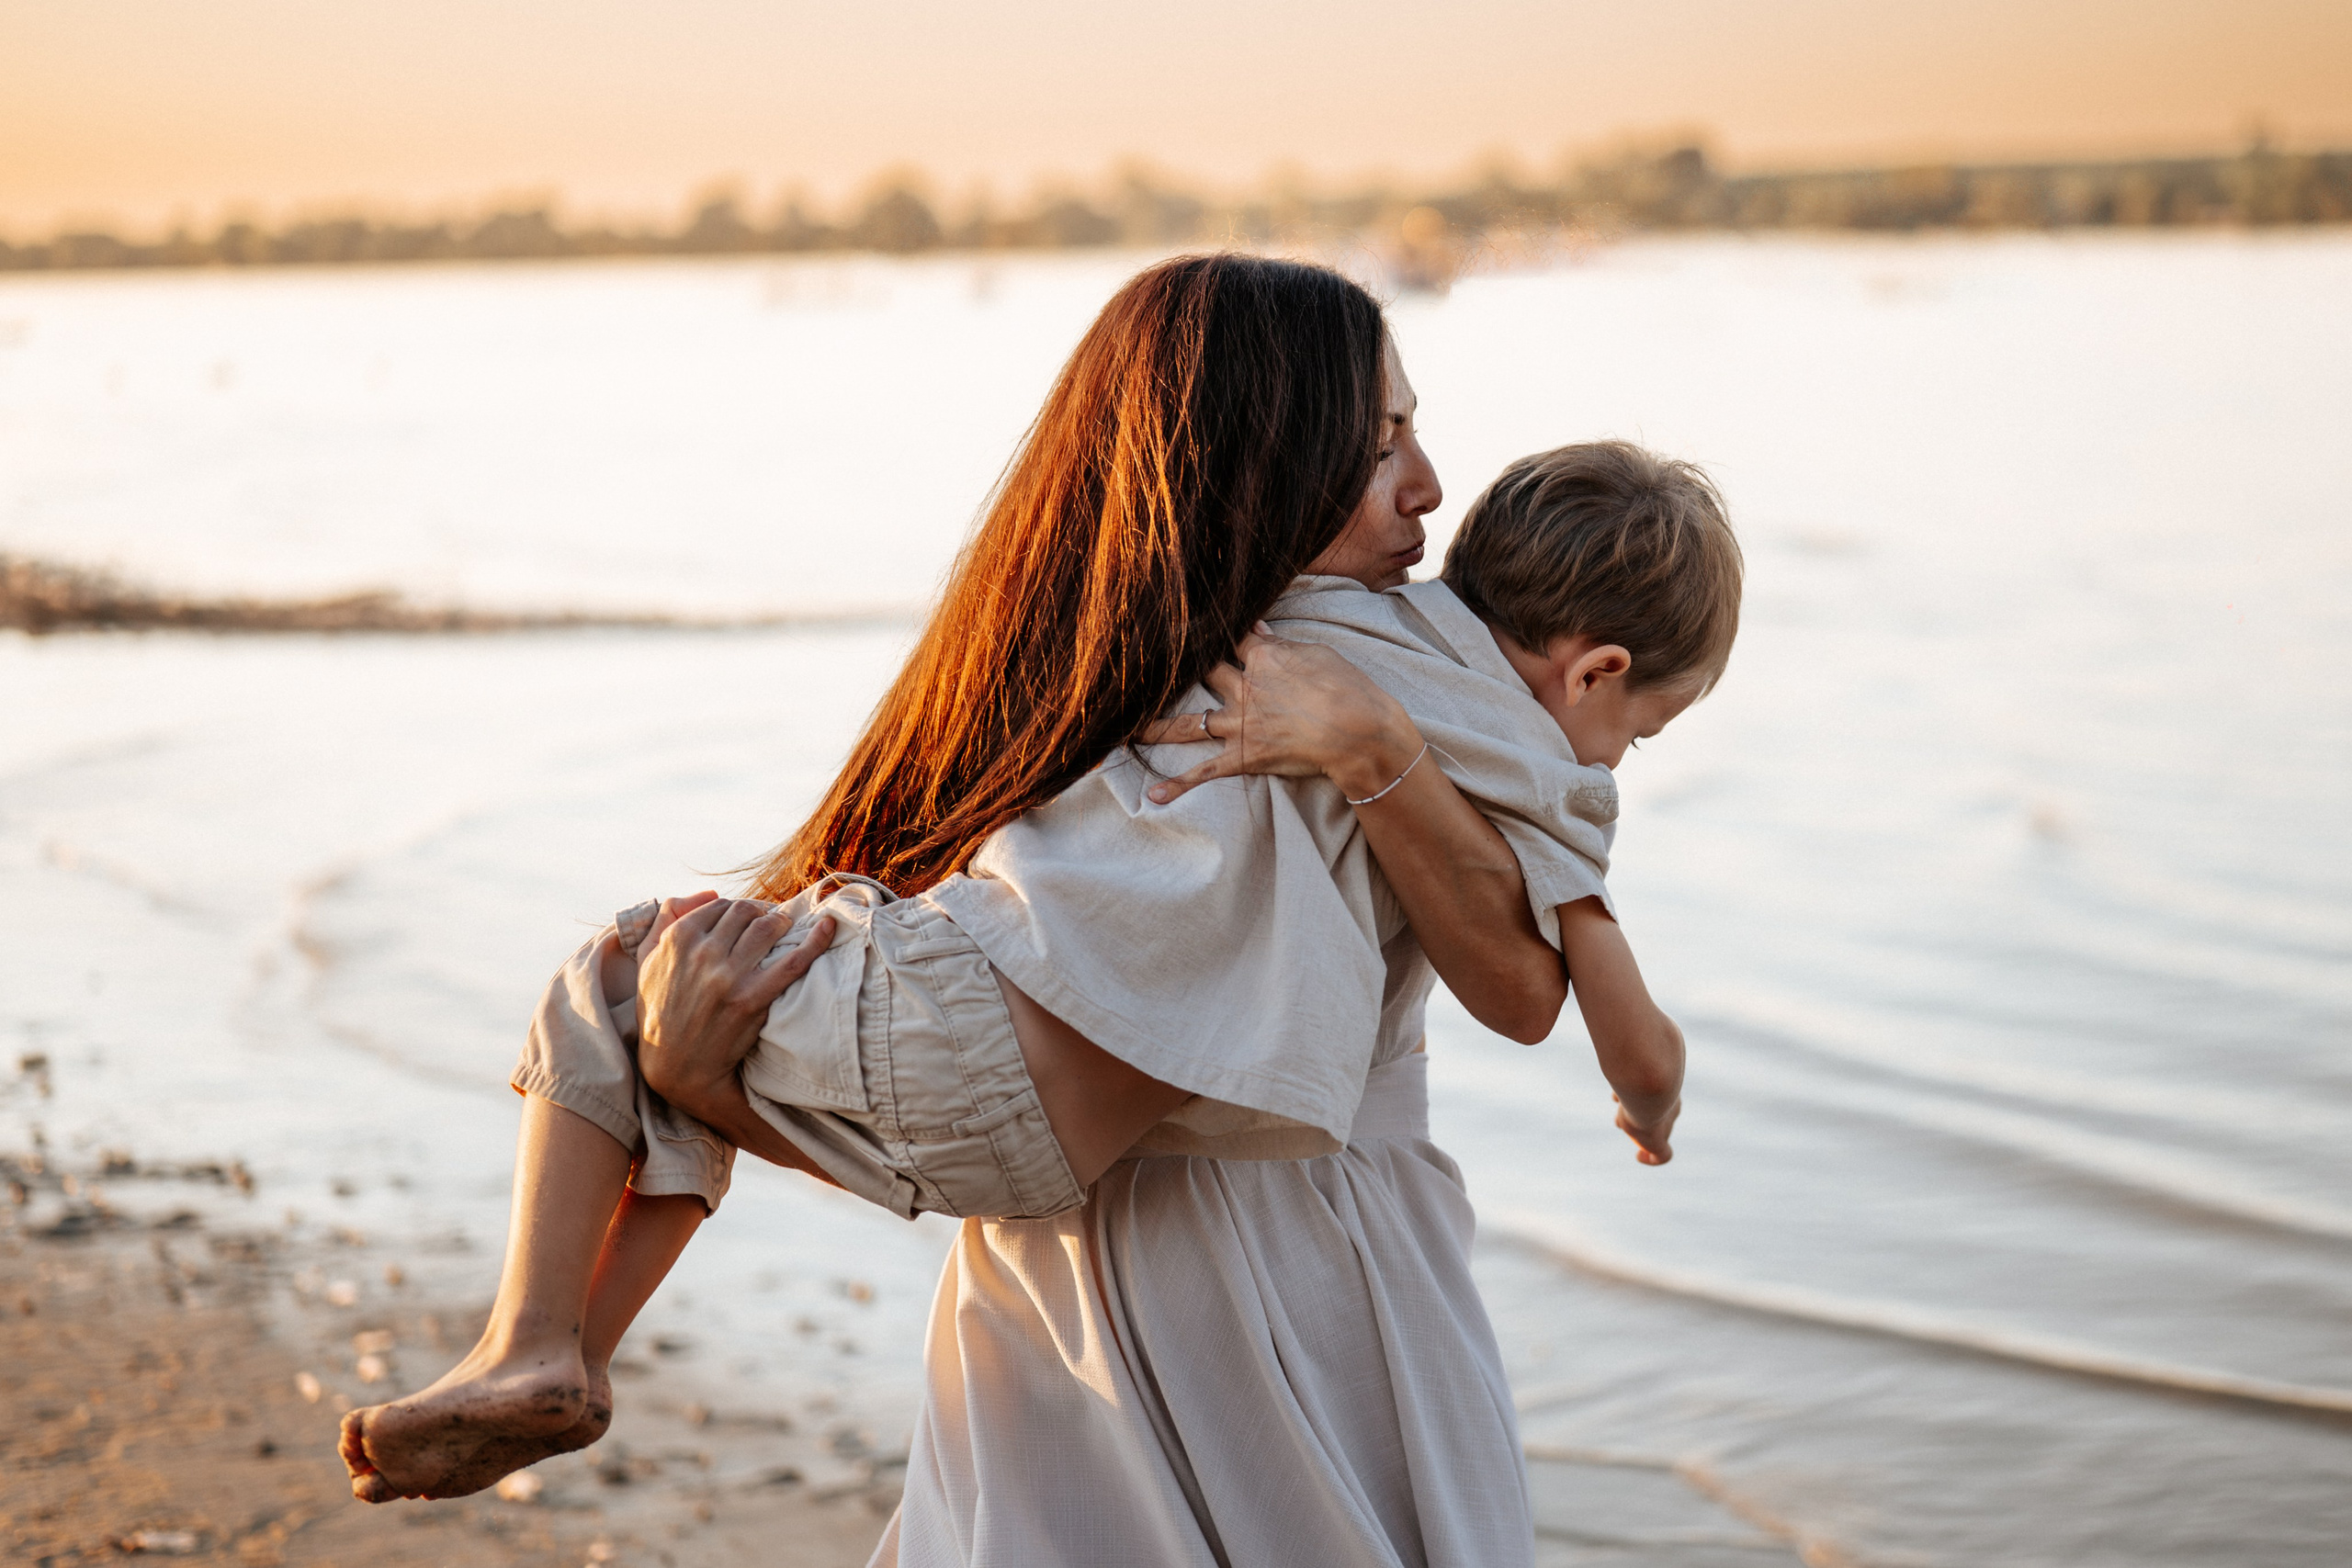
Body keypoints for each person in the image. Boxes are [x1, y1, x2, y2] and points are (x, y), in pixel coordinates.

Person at [342, 258, 1739, 1565]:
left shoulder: (1337, 697)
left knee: (627, 980)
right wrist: (711, 1089)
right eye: (1381, 443)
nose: (1432, 485)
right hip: (1119, 1281)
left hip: (1254, 1274)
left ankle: (544, 1342)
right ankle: (548, 1347)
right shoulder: (1202, 698)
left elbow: (1500, 981)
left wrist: (1378, 752)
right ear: (1255, 462)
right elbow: (1017, 1106)